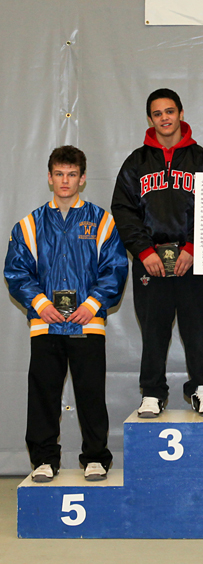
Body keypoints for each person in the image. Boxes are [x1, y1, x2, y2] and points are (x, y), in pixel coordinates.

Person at [4, 146, 128, 482]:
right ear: (49, 177)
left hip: (88, 323)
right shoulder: (29, 225)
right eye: (59, 174)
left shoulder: (101, 221)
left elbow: (115, 268)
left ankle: (96, 458)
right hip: (45, 324)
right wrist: (41, 303)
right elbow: (16, 271)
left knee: (91, 393)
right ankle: (44, 460)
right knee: (43, 394)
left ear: (82, 178)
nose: (65, 180)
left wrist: (92, 304)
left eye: (72, 174)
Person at [112, 89, 203, 418]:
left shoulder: (202, 160)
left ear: (181, 113)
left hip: (192, 261)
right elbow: (123, 210)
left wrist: (193, 247)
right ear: (150, 119)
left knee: (196, 330)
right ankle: (152, 392)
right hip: (151, 262)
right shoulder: (136, 162)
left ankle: (202, 388)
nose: (164, 118)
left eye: (169, 111)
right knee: (154, 331)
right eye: (157, 114)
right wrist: (144, 251)